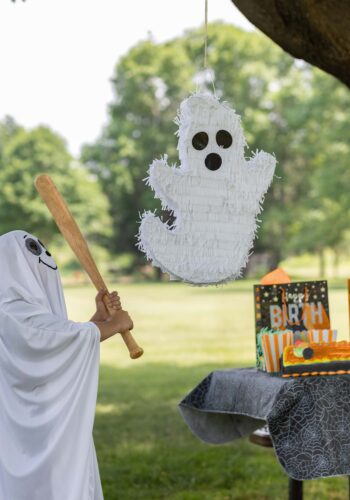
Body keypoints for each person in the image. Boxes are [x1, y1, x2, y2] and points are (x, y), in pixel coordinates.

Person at [0, 230, 133, 499]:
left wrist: (100, 318)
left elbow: (58, 343)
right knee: (47, 484)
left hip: (40, 416)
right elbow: (51, 338)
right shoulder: (11, 310)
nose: (44, 258)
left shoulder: (20, 310)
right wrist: (114, 325)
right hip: (32, 427)